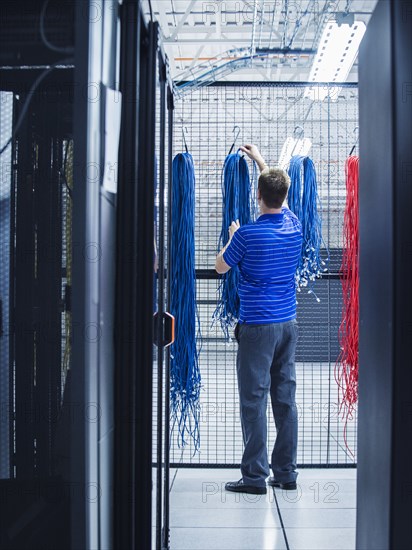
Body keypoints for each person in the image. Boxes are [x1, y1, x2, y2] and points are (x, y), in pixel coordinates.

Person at [215, 144, 303, 495]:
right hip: (288, 325)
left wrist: (233, 236)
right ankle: (286, 473)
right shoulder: (294, 225)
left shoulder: (248, 235)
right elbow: (280, 191)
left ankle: (254, 477)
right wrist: (263, 164)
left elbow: (222, 266)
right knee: (285, 398)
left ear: (257, 195)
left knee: (254, 399)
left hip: (257, 328)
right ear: (283, 196)